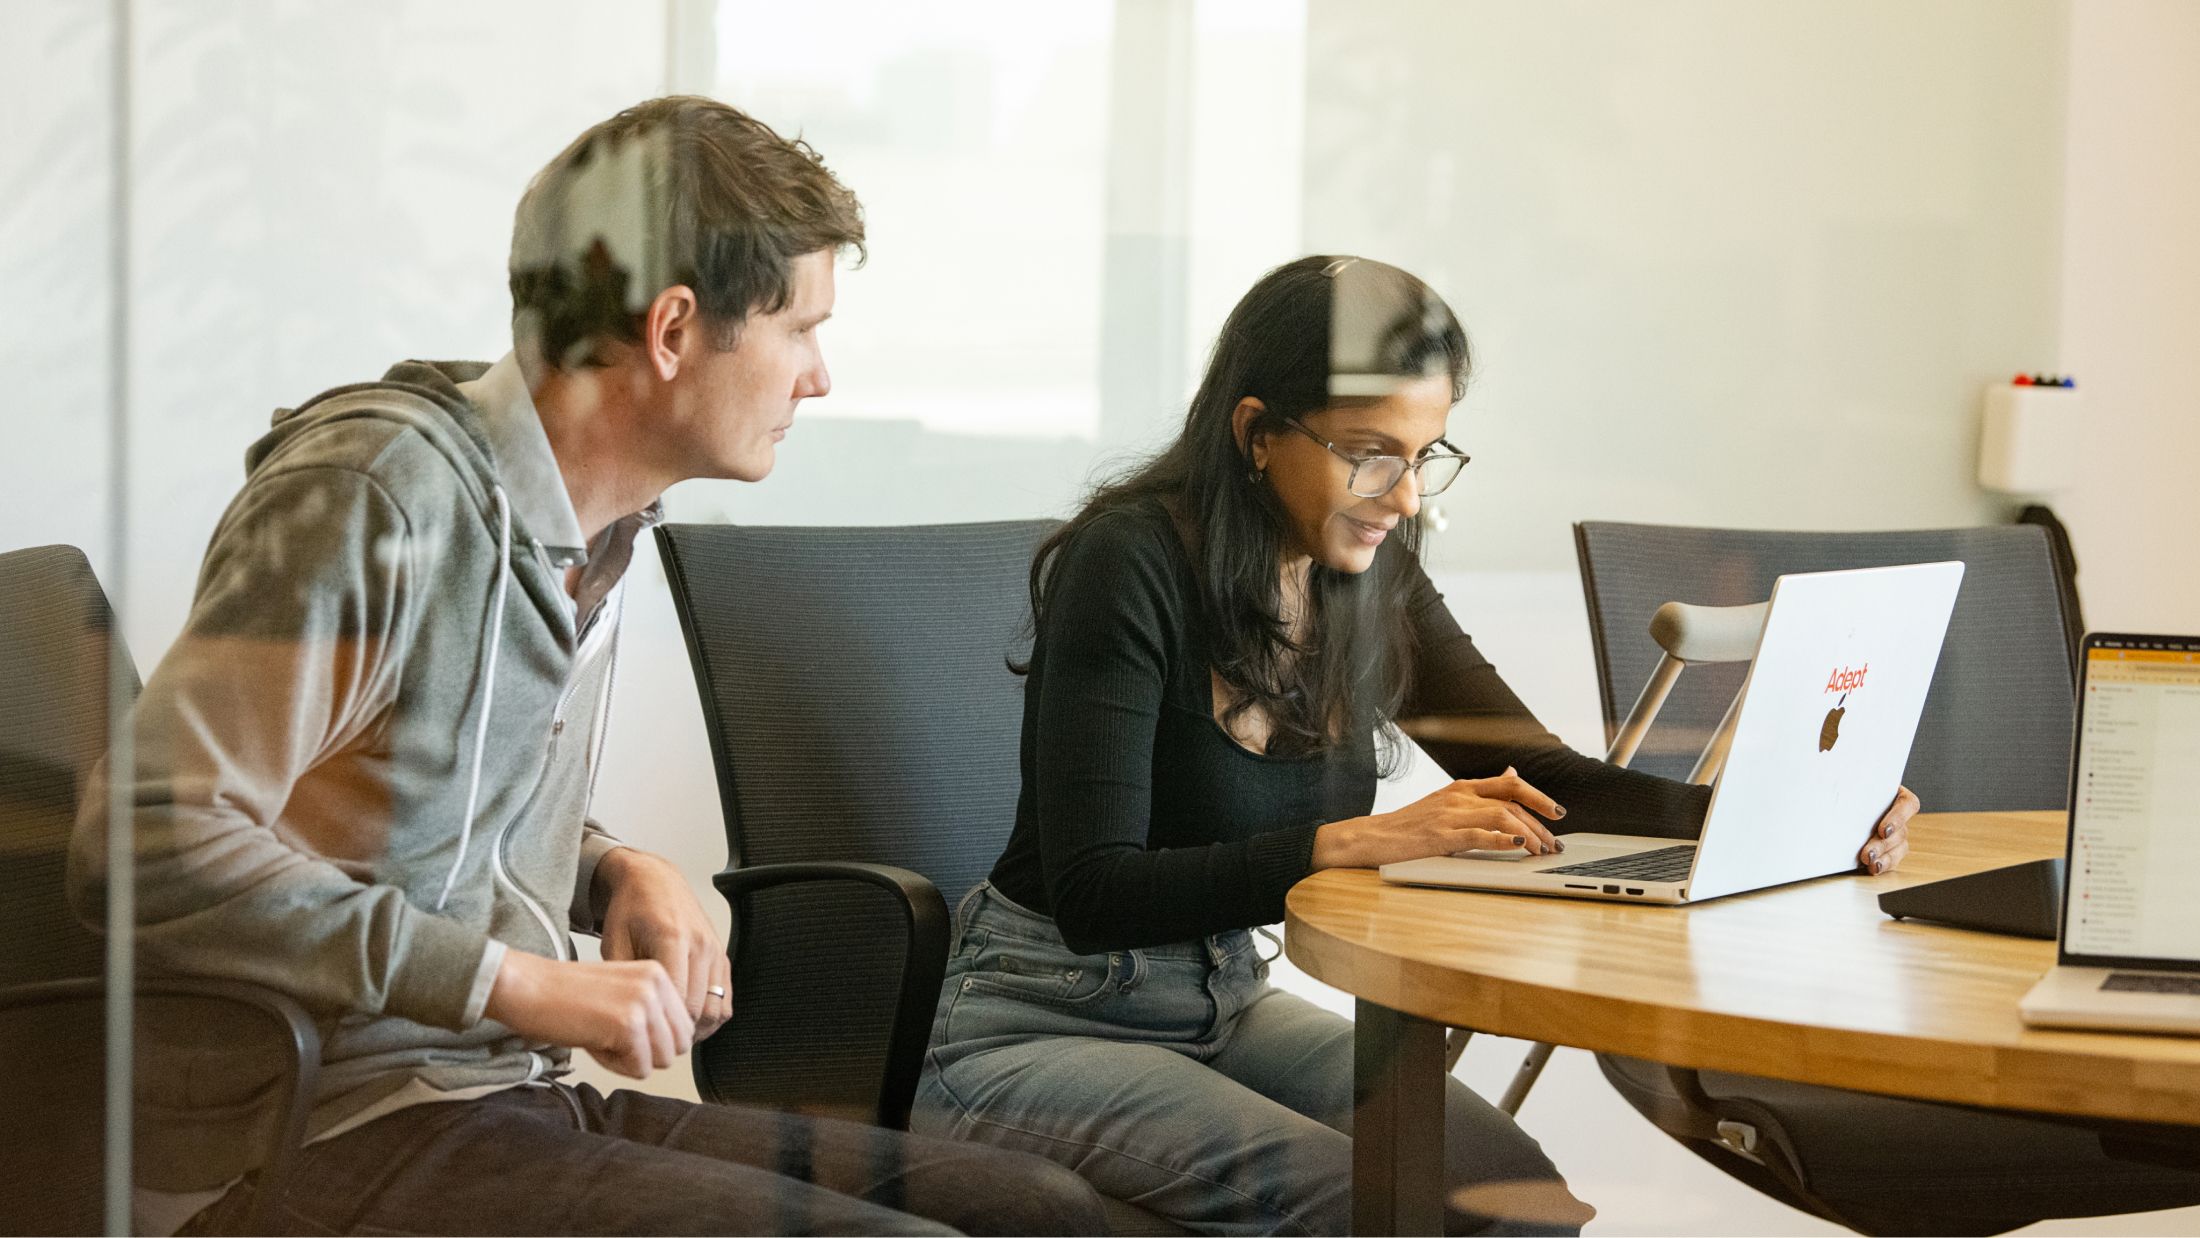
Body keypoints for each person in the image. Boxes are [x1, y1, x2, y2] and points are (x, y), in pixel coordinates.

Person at [69, 96, 1105, 1238]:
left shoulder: (587, 526)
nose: (819, 377)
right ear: (671, 331)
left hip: (495, 1096)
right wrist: (513, 980)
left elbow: (394, 797)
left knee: (1036, 1208)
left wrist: (610, 867)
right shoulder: (378, 502)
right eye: (800, 328)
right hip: (318, 1127)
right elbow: (146, 841)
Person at [910, 255, 1922, 1236]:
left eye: (1426, 453)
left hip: (1223, 999)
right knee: (1367, 1201)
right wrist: (1366, 840)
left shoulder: (1369, 576)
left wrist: (1794, 813)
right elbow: (1095, 892)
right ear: (1256, 432)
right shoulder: (1126, 562)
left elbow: (1549, 778)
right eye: (1371, 451)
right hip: (1034, 1019)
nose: (1405, 496)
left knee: (1516, 1194)